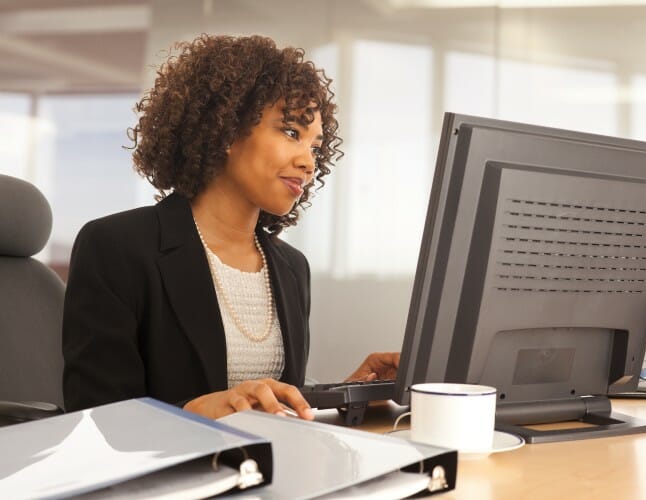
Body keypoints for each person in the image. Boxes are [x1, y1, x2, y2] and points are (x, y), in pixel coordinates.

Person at [62, 34, 399, 420]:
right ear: (225, 128)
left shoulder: (291, 268)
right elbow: (92, 417)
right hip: (169, 477)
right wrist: (195, 413)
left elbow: (272, 410)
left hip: (267, 475)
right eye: (291, 132)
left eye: (316, 147)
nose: (308, 161)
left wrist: (348, 396)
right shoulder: (116, 247)